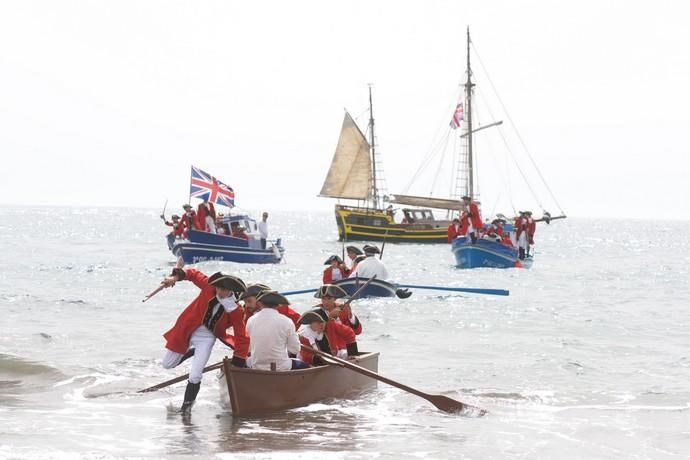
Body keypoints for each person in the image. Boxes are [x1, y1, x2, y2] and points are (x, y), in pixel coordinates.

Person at [159, 269, 249, 413]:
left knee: (195, 375)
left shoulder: (236, 309)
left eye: (224, 290)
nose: (219, 291)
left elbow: (241, 334)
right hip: (188, 328)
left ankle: (185, 410)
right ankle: (190, 352)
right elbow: (193, 274)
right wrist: (174, 277)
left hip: (206, 338)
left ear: (231, 290)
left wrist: (239, 358)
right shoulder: (209, 286)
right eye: (219, 287)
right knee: (167, 364)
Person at [246, 290, 308, 371]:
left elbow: (249, 348)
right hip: (281, 366)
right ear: (278, 305)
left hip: (257, 366)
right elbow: (295, 349)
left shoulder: (250, 320)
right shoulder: (287, 321)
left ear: (260, 303)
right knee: (305, 366)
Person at [311, 284, 362, 357]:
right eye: (323, 299)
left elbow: (357, 332)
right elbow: (317, 333)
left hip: (345, 349)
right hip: (326, 351)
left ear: (334, 299)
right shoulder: (316, 313)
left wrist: (350, 315)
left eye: (329, 298)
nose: (325, 302)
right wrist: (330, 317)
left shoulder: (343, 310)